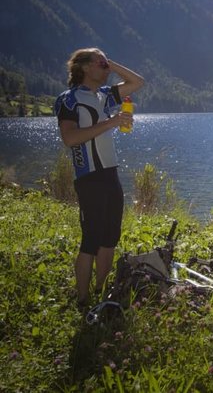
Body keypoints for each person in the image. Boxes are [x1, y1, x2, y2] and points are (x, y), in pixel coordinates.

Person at [54, 48, 145, 307]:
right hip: (89, 177)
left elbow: (137, 82)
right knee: (91, 241)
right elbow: (70, 138)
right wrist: (111, 122)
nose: (105, 69)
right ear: (84, 67)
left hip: (110, 174)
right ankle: (83, 301)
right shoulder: (69, 99)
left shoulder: (104, 95)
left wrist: (110, 63)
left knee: (110, 238)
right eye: (100, 63)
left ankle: (102, 293)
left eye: (106, 63)